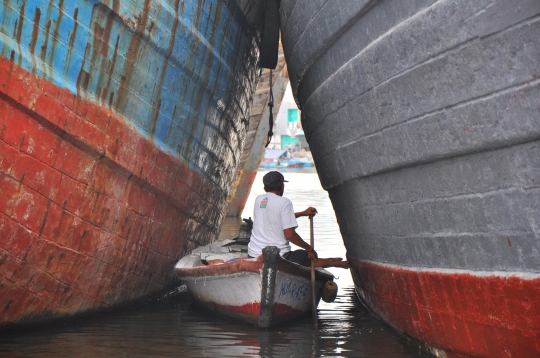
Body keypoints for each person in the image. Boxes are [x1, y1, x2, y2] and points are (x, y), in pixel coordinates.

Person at [248, 171, 349, 269]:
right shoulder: (284, 202)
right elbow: (290, 235)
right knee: (305, 256)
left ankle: (330, 260)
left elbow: (277, 217)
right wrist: (309, 249)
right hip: (280, 257)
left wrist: (303, 213)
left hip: (253, 254)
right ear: (282, 186)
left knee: (303, 255)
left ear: (265, 187)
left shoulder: (260, 200)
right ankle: (337, 263)